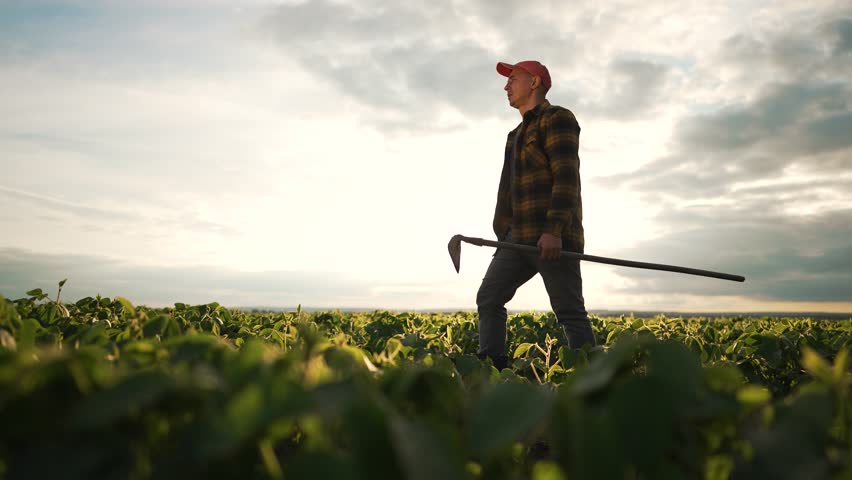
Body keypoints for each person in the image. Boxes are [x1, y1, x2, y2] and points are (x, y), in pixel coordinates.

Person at [476, 60, 597, 370]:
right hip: (517, 237)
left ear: (534, 82)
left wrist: (554, 230)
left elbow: (566, 178)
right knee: (489, 298)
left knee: (569, 311)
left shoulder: (558, 118)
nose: (506, 86)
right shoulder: (514, 134)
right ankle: (492, 368)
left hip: (551, 236)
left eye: (513, 79)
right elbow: (507, 189)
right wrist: (503, 233)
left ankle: (588, 377)